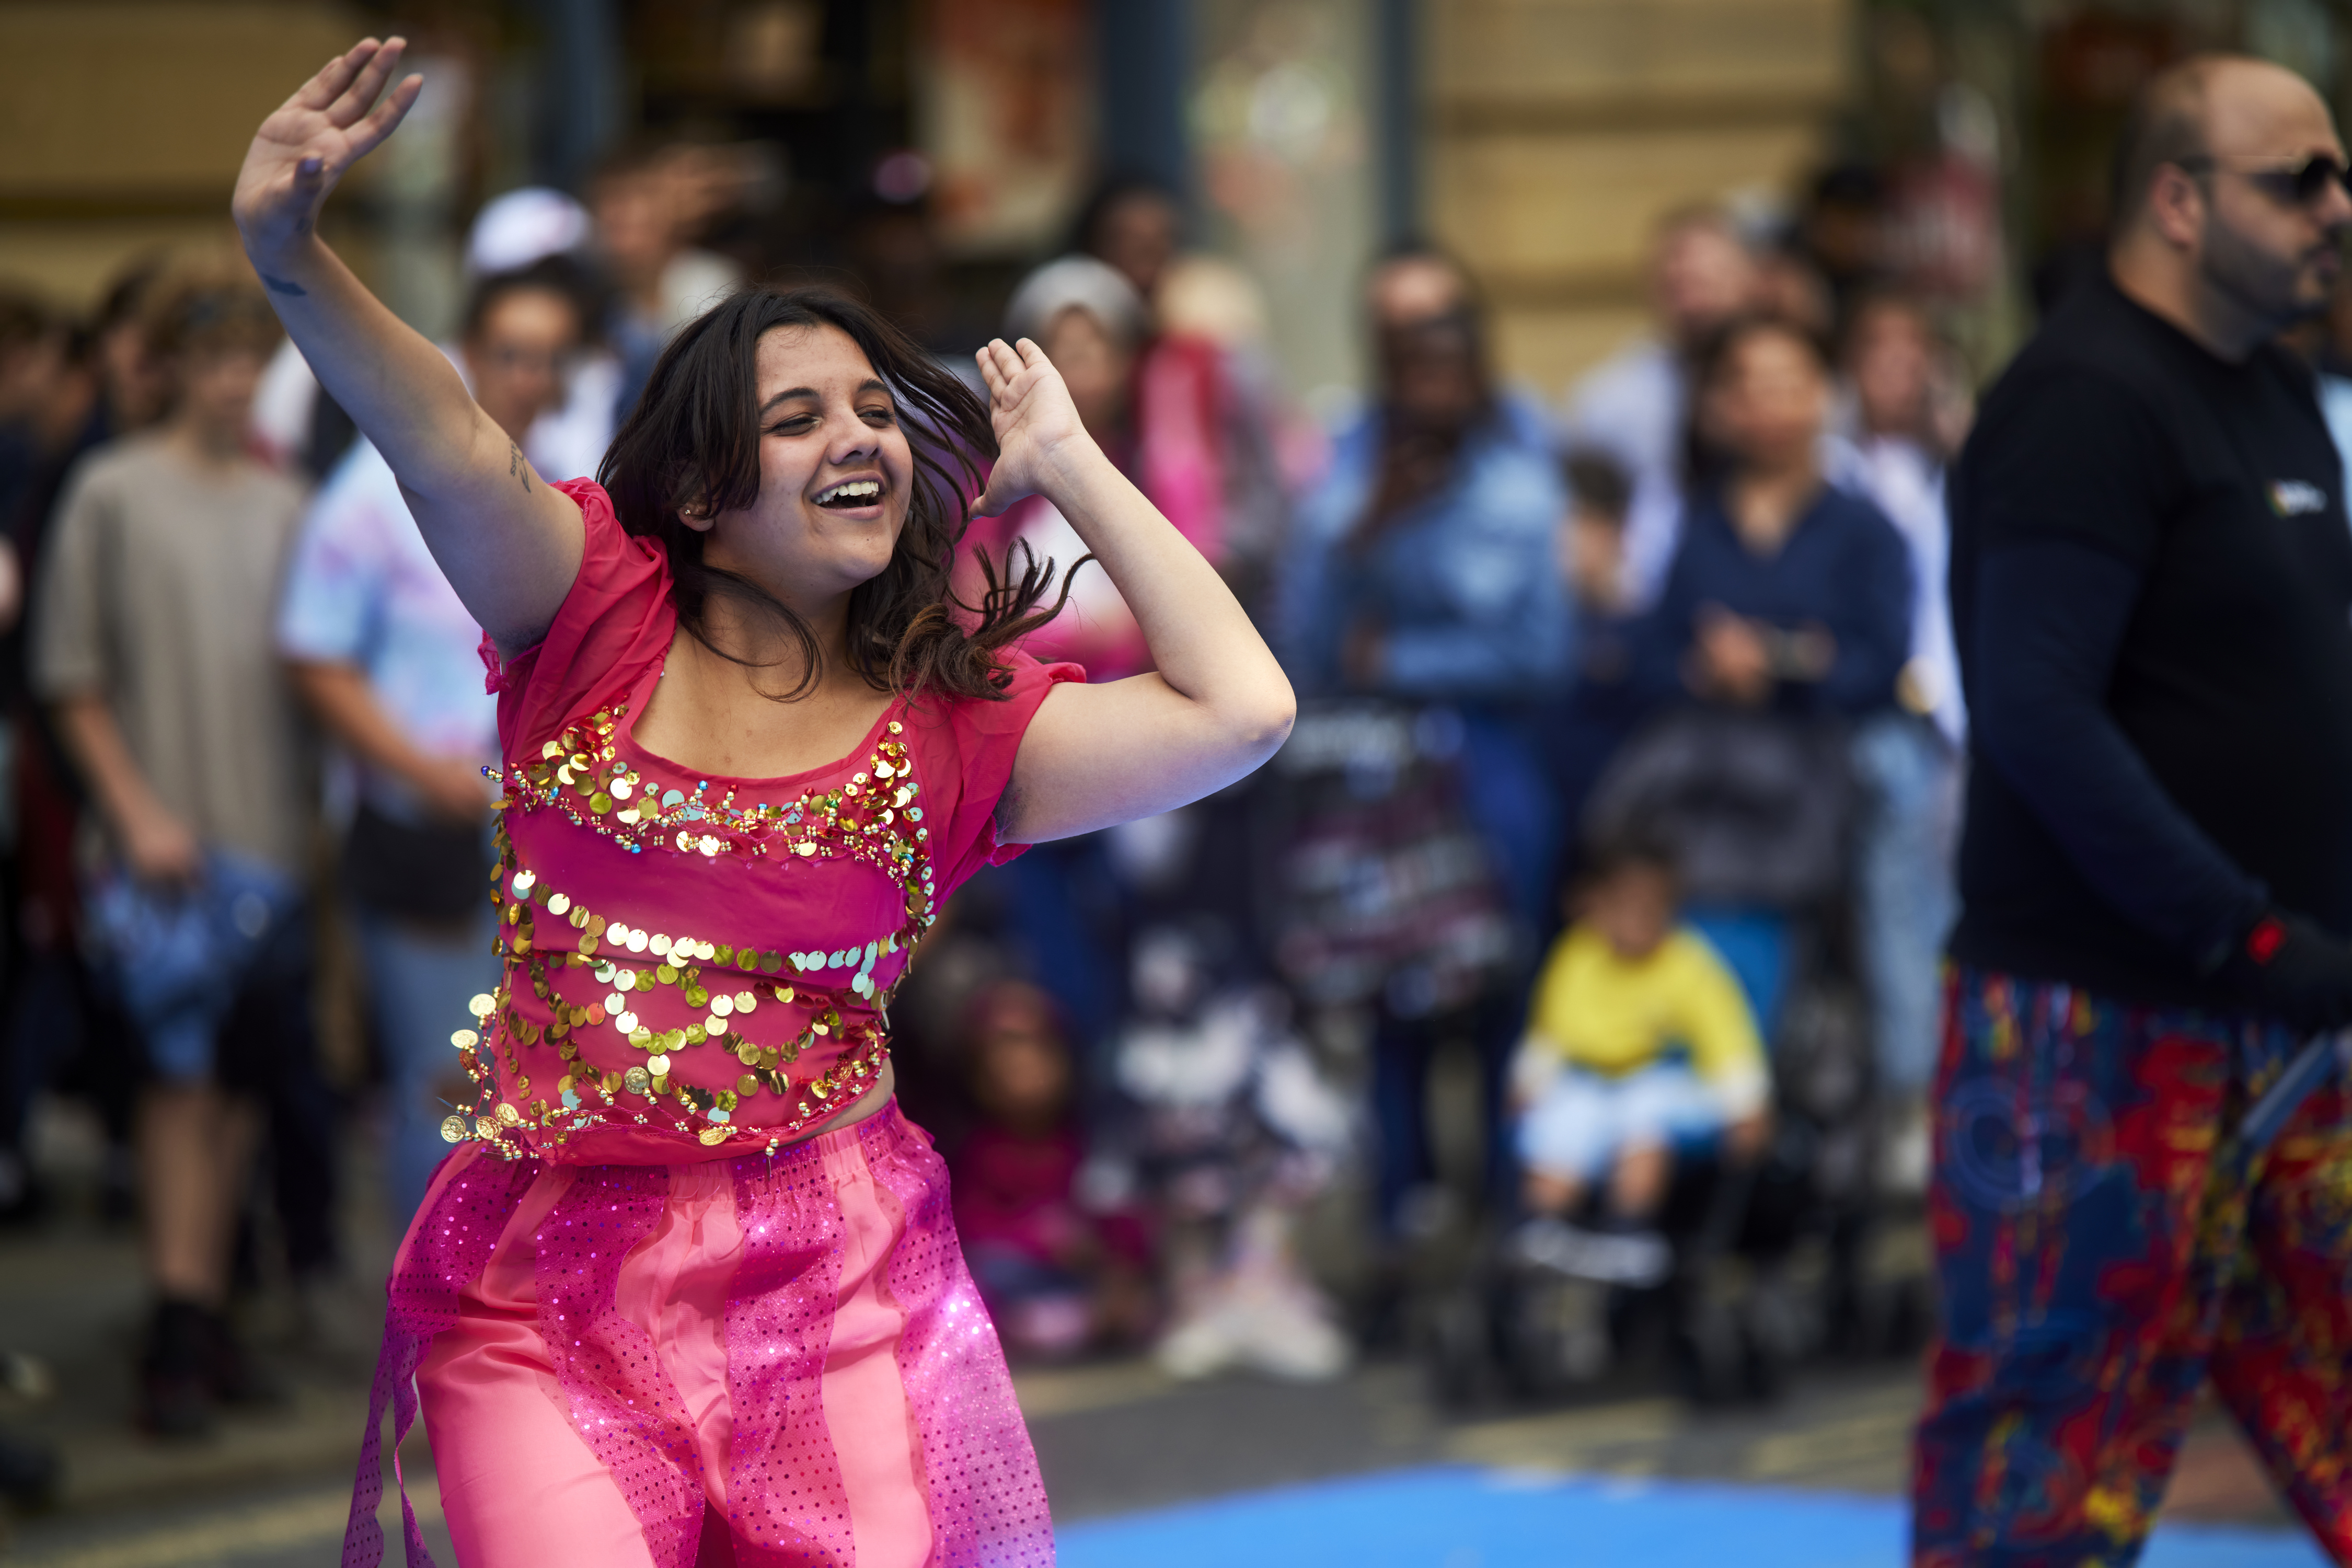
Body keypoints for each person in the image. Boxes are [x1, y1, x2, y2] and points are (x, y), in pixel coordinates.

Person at [232, 39, 1293, 1567]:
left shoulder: (957, 726)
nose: (855, 436)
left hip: (841, 1288)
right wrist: (291, 254)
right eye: (798, 420)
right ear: (708, 495)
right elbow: (451, 440)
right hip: (546, 1293)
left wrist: (1072, 457)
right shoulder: (586, 613)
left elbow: (1245, 710)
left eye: (873, 411)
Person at [1917, 56, 2352, 1564]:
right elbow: (2035, 715)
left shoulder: (2280, 386)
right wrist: (2236, 932)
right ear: (2176, 201)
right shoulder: (2080, 403)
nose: (2336, 209)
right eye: (2296, 179)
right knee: (2044, 1454)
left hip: (2286, 1021)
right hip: (2091, 1034)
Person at [30, 260, 320, 1436]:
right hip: (160, 844)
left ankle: (206, 1316)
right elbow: (71, 677)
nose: (232, 381)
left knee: (243, 1090)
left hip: (270, 841)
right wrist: (136, 812)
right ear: (169, 371)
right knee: (173, 1087)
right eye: (210, 359)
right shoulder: (110, 491)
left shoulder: (287, 503)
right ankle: (171, 1325)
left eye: (249, 360)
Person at [277, 264, 586, 1231]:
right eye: (510, 355)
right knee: (447, 1076)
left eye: (548, 359)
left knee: (550, 1079)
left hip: (556, 841)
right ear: (467, 354)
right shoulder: (375, 490)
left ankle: (524, 1319)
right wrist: (421, 771)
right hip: (427, 831)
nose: (529, 378)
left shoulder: (578, 481)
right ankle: (435, 1322)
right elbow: (314, 653)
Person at [1283, 245, 1571, 1240]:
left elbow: (1541, 651)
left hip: (1487, 766)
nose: (1432, 385)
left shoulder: (1520, 472)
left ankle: (1506, 1224)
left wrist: (1398, 653)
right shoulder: (1348, 466)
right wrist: (1367, 529)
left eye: (1450, 363)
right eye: (1412, 365)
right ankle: (1402, 1233)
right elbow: (1304, 645)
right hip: (1365, 781)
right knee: (1387, 1011)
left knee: (1500, 1000)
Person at [1630, 314, 1912, 1033]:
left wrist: (1782, 664)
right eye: (1750, 387)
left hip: (1824, 760)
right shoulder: (1699, 522)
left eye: (1789, 385)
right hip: (1715, 768)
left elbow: (1883, 662)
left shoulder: (1863, 527)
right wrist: (1707, 668)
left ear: (1824, 395)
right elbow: (1654, 651)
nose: (1770, 406)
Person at [1827, 293, 1970, 1187]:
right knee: (1896, 894)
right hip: (1875, 725)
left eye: (1913, 347)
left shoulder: (1960, 464)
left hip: (1960, 720)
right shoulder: (1837, 474)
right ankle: (1912, 1092)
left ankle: (1954, 1089)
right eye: (1877, 348)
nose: (1898, 368)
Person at [1509, 835, 1768, 1273]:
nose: (1638, 920)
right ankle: (1547, 1226)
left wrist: (1747, 1106)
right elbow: (1550, 1033)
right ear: (1597, 904)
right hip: (1589, 1081)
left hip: (1659, 1077)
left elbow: (1728, 1039)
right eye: (1626, 906)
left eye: (1652, 908)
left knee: (1644, 1120)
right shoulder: (1578, 956)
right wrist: (1528, 1083)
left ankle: (1630, 1226)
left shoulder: (1689, 964)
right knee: (1560, 1125)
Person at [1563, 207, 1765, 609]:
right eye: (1677, 285)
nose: (1693, 301)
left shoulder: (1793, 385)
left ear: (1750, 283)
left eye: (1707, 282)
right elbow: (1583, 521)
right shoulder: (1609, 399)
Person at [948, 982, 1148, 1361]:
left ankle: (1096, 1318)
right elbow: (972, 1226)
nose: (1026, 1076)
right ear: (982, 1081)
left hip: (1081, 1273)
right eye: (1009, 1067)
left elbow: (1122, 1214)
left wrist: (1117, 1259)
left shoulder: (1086, 1141)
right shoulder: (982, 1151)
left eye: (1038, 1059)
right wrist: (1040, 1238)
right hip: (1017, 1277)